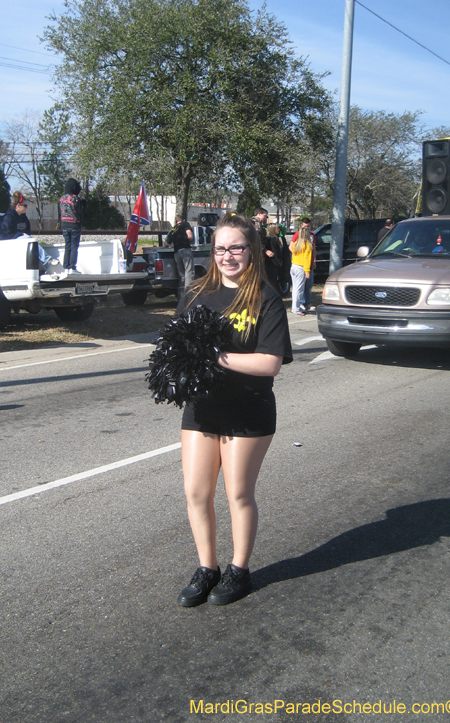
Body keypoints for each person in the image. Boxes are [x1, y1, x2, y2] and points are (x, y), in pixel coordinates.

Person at [176, 213, 293, 607]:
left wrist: (215, 356)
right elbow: (175, 348)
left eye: (236, 248)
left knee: (238, 493)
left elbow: (269, 363)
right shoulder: (195, 293)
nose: (228, 256)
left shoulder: (265, 297)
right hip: (202, 407)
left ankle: (239, 570)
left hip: (248, 408)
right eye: (220, 248)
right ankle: (207, 568)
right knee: (196, 491)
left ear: (252, 250)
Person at [1, 192, 61, 272]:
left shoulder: (24, 218)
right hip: (12, 242)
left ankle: (42, 268)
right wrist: (21, 234)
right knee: (28, 239)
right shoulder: (8, 217)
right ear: (18, 206)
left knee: (30, 240)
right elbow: (5, 234)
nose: (27, 208)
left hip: (23, 242)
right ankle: (47, 259)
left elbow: (27, 231)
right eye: (25, 205)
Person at [59, 178, 87, 274]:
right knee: (74, 246)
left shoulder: (61, 199)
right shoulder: (75, 198)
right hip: (74, 225)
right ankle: (72, 267)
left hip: (64, 225)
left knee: (68, 246)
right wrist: (84, 204)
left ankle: (65, 266)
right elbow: (81, 211)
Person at [291, 217, 316, 310]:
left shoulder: (303, 242)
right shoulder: (304, 243)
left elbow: (312, 251)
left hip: (296, 266)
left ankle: (301, 305)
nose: (307, 229)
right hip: (301, 267)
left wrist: (314, 260)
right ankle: (298, 306)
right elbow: (305, 258)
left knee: (300, 288)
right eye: (305, 227)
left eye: (308, 226)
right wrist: (307, 271)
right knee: (299, 289)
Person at [166, 214, 194, 294]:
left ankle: (181, 295)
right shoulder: (185, 224)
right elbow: (190, 236)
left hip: (177, 252)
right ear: (183, 220)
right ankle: (188, 294)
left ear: (176, 221)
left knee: (182, 276)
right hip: (185, 250)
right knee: (189, 272)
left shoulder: (173, 229)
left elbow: (166, 244)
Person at [266, 223, 283, 292]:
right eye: (277, 228)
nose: (279, 230)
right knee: (273, 281)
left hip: (273, 263)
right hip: (273, 263)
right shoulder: (272, 239)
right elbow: (275, 252)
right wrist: (279, 262)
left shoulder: (274, 238)